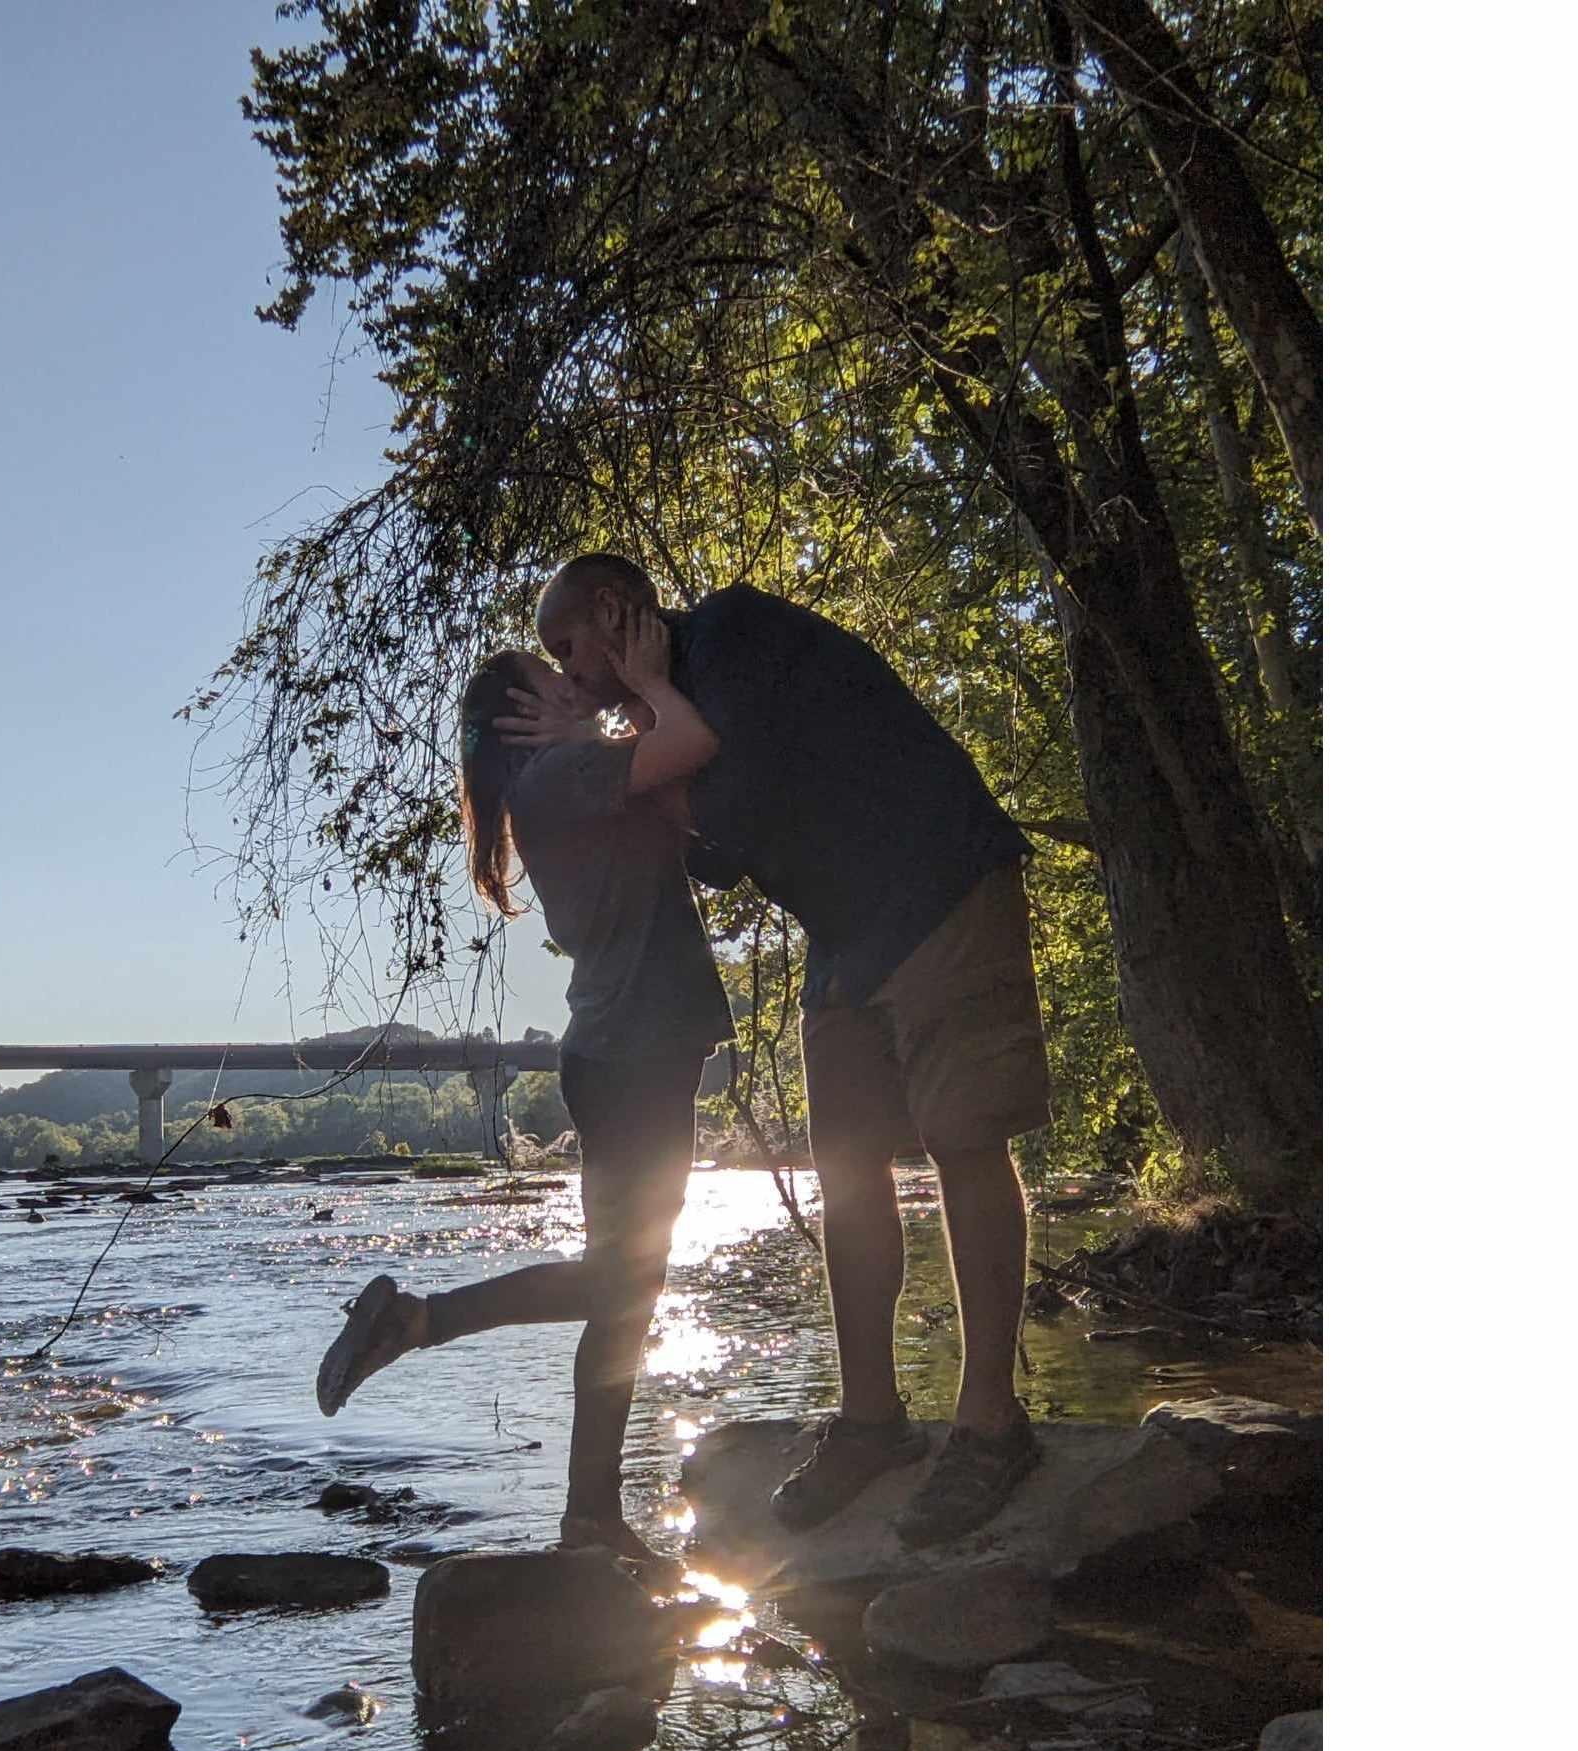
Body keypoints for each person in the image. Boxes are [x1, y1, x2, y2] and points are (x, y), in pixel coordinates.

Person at [526, 554, 1051, 1548]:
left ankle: (992, 1422)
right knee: (848, 1170)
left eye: (567, 648)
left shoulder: (736, 633)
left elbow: (730, 807)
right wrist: (642, 724)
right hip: (848, 935)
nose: (567, 674)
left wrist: (645, 705)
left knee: (966, 1140)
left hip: (942, 882)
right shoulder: (672, 704)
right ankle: (871, 1423)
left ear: (612, 613)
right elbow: (719, 861)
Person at [314, 610, 730, 1563]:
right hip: (636, 1053)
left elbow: (675, 796)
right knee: (622, 1285)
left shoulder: (557, 779)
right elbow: (693, 741)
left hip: (623, 1050)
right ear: (520, 719)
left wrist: (605, 723)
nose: (574, 681)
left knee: (623, 1295)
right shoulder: (566, 771)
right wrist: (653, 684)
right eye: (551, 680)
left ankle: (590, 1518)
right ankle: (419, 1321)